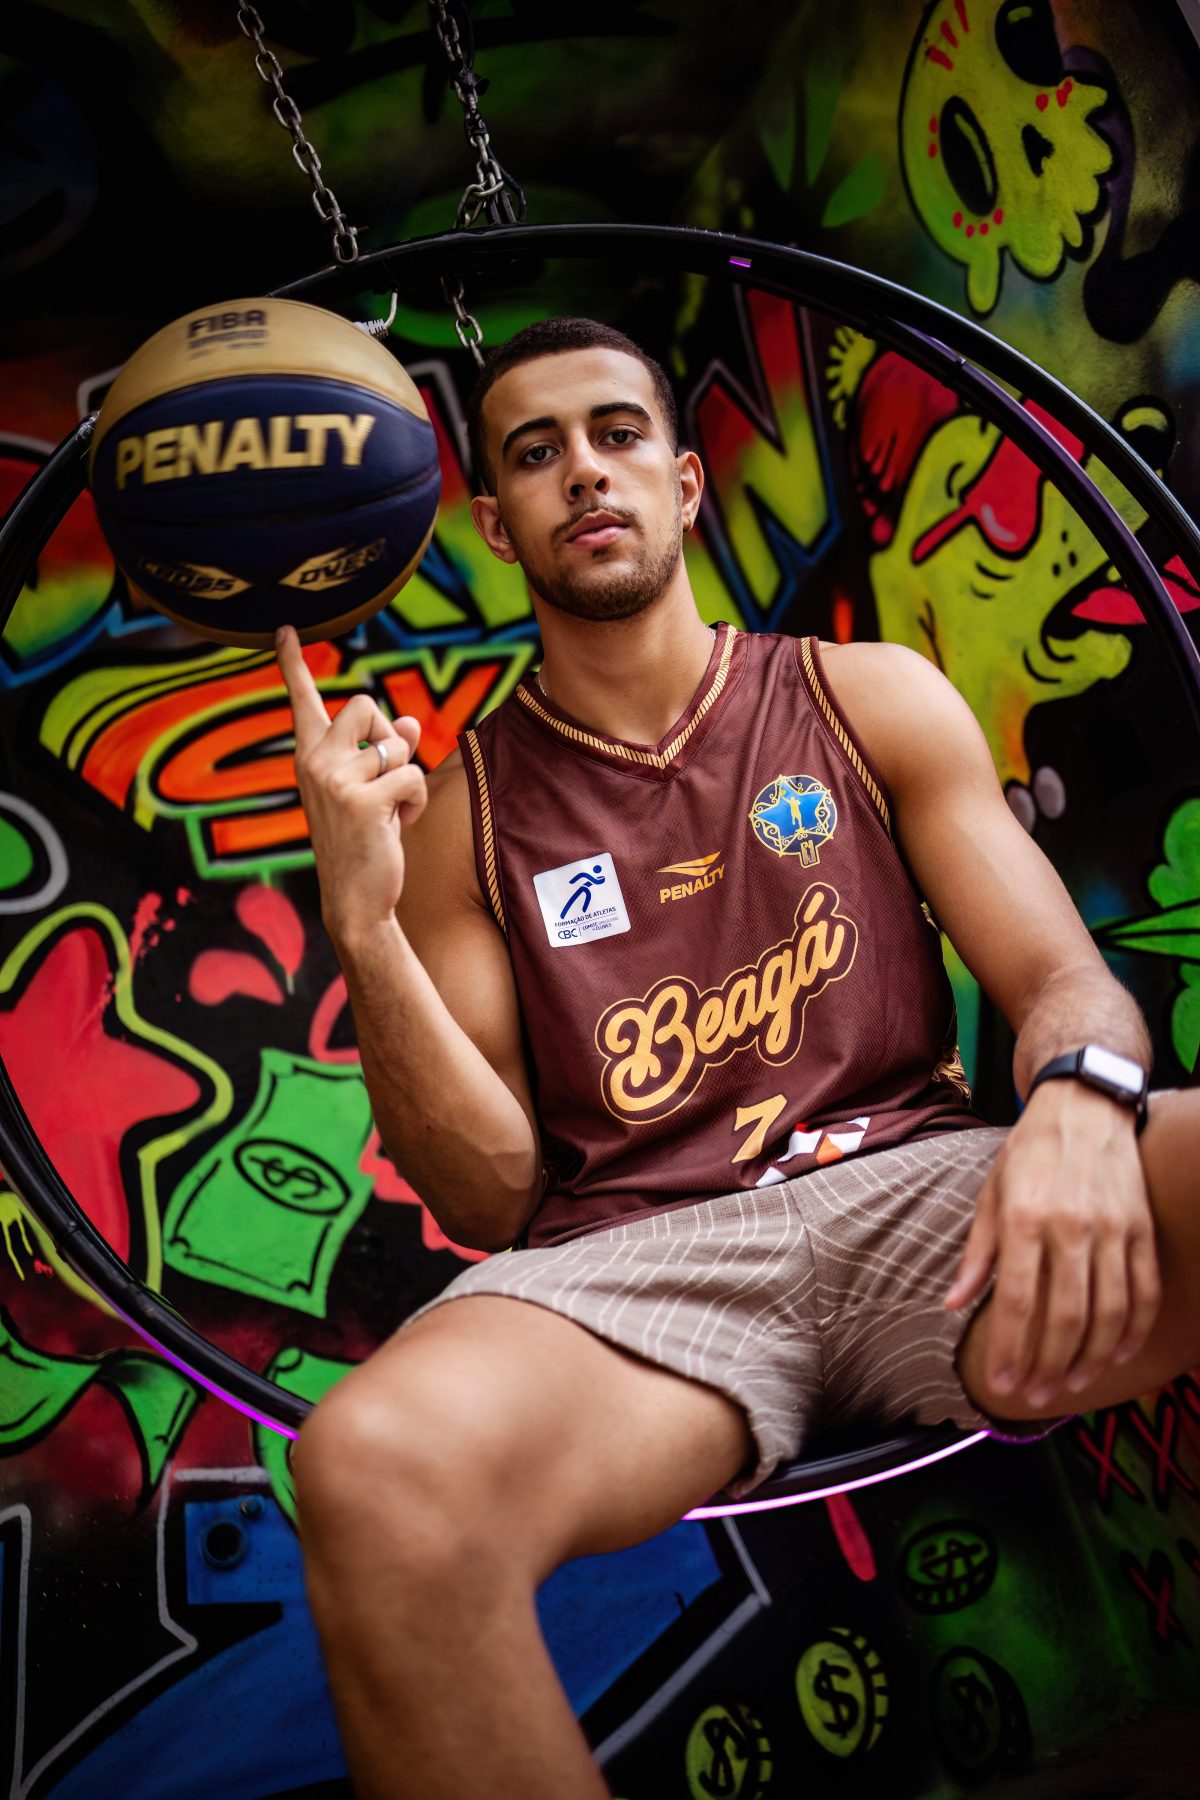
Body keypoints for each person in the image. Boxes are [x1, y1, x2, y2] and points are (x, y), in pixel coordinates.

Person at [275, 317, 1200, 1800]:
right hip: (637, 1274)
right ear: (498, 524)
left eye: (617, 434)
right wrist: (365, 928)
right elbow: (488, 1193)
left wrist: (1085, 1105)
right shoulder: (466, 817)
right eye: (535, 453)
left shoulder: (861, 695)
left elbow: (1060, 982)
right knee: (371, 1469)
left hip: (928, 1198)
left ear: (688, 480)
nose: (585, 472)